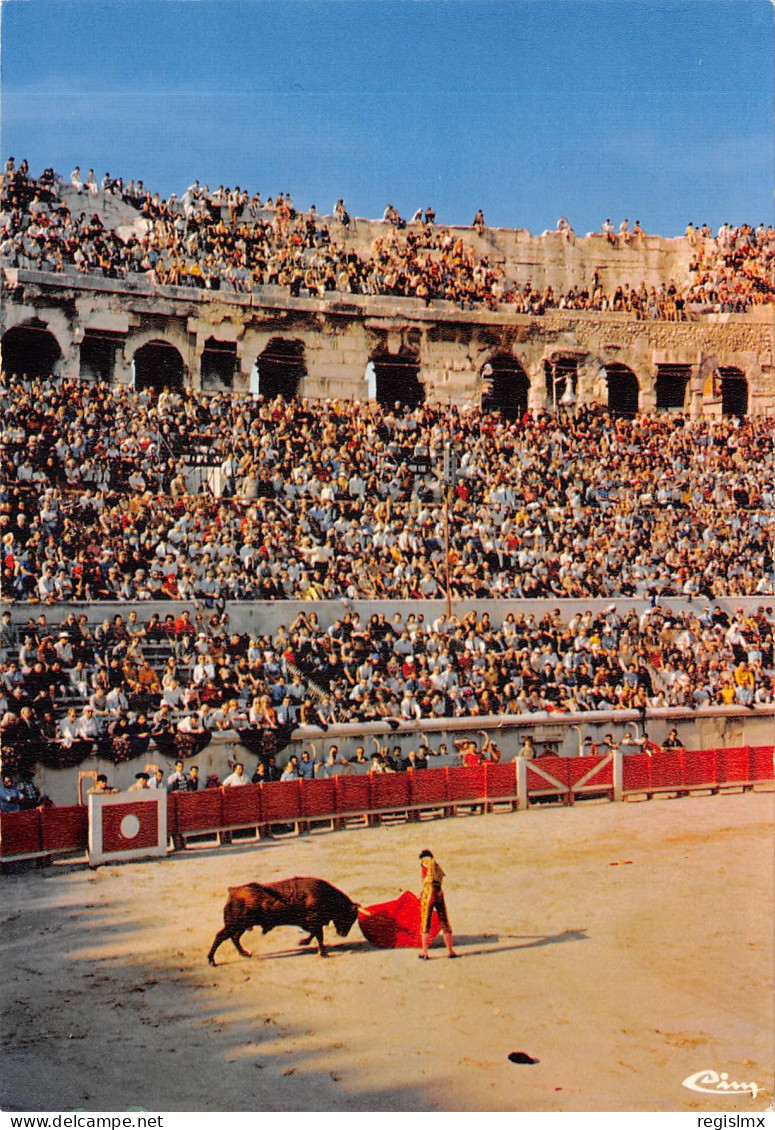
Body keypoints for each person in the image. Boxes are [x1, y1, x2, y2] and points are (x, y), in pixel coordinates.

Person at [417, 849, 457, 959]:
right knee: (444, 921)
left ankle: (425, 952)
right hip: (439, 893)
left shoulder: (424, 863)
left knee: (426, 922)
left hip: (429, 893)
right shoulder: (437, 865)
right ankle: (450, 951)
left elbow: (426, 879)